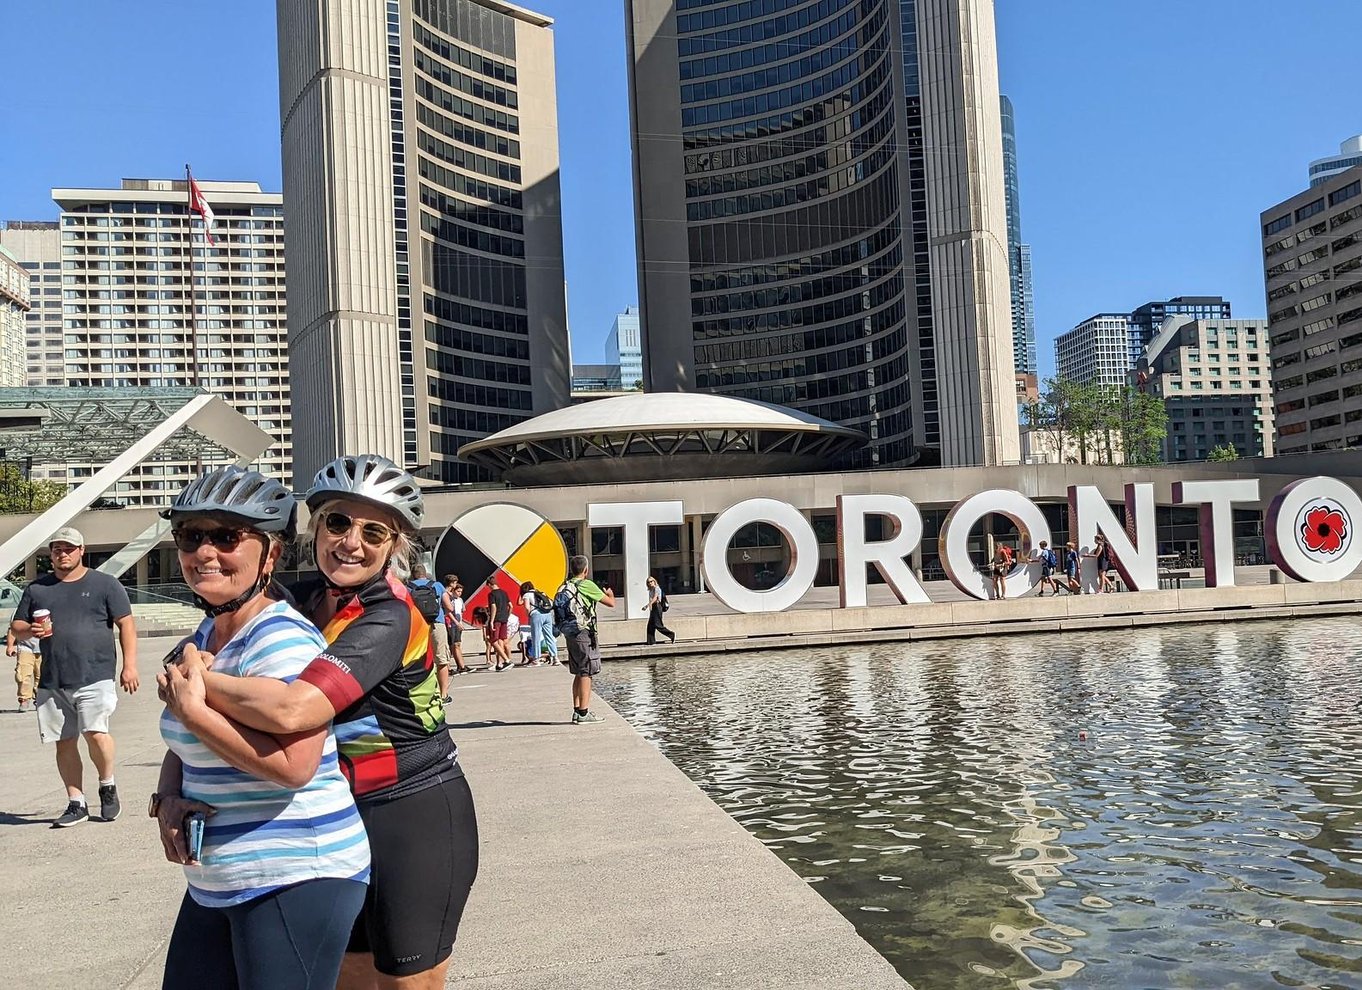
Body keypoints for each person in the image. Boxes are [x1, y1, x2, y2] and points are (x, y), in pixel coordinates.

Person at [179, 454, 478, 989]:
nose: (350, 542)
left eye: (373, 532)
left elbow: (297, 709)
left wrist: (190, 680)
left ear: (395, 547)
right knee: (347, 978)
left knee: (407, 983)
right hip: (341, 813)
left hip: (412, 812)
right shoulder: (304, 599)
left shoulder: (389, 616)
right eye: (337, 523)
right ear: (316, 528)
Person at [154, 465, 369, 990]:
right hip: (217, 881)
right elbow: (187, 743)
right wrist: (168, 798)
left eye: (227, 537)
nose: (205, 552)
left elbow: (293, 768)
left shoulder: (280, 640)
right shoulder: (212, 630)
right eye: (191, 536)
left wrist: (194, 711)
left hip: (293, 873)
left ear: (270, 555)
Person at [9, 527, 139, 826]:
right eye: (57, 549)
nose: (63, 554)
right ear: (51, 554)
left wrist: (129, 665)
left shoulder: (105, 584)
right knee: (63, 741)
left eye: (69, 548)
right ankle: (76, 802)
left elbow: (126, 624)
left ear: (82, 550)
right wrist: (31, 630)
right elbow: (17, 625)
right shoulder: (38, 589)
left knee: (95, 732)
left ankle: (107, 785)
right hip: (53, 678)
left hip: (95, 672)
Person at [555, 554, 615, 724]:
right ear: (586, 570)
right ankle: (584, 713)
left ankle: (576, 710)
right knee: (587, 672)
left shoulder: (565, 586)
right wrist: (610, 594)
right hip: (584, 633)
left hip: (570, 633)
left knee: (578, 672)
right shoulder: (587, 585)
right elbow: (610, 603)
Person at [411, 566, 452, 698]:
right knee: (441, 660)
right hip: (437, 624)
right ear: (425, 574)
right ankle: (443, 695)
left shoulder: (408, 587)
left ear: (413, 575)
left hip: (418, 627)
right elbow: (449, 607)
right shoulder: (437, 585)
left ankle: (425, 694)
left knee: (419, 660)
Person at [518, 581, 559, 667]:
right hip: (547, 614)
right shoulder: (540, 593)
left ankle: (536, 659)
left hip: (536, 615)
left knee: (535, 637)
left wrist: (529, 615)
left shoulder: (526, 595)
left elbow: (526, 607)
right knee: (549, 636)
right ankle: (555, 658)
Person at [439, 577, 471, 687]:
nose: (459, 593)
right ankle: (450, 667)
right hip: (450, 623)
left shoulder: (457, 599)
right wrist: (456, 622)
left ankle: (461, 666)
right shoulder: (446, 594)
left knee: (456, 644)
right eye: (458, 589)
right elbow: (448, 610)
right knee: (450, 645)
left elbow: (462, 610)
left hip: (457, 622)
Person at [6, 623, 41, 712]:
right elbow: (13, 629)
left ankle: (40, 699)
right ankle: (24, 699)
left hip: (44, 647)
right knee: (22, 674)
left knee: (42, 675)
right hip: (25, 647)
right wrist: (10, 646)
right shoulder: (21, 610)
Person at [485, 576, 513, 671]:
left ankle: (506, 660)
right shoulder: (504, 593)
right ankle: (499, 663)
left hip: (496, 618)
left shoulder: (491, 594)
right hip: (504, 618)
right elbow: (510, 606)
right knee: (500, 640)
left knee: (493, 641)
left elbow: (493, 607)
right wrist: (507, 615)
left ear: (489, 584)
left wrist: (491, 621)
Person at [642, 576, 675, 646]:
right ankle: (651, 641)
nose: (650, 583)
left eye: (651, 581)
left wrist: (647, 605)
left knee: (658, 625)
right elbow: (652, 599)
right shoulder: (650, 590)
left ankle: (671, 634)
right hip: (653, 608)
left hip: (657, 606)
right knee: (650, 626)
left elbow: (655, 598)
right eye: (648, 582)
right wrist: (650, 607)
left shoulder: (657, 588)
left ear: (654, 581)